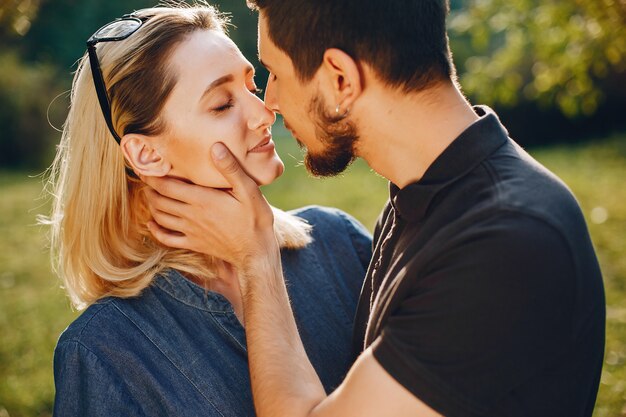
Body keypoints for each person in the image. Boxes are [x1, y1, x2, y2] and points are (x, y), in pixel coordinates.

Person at [143, 0, 606, 416]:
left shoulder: (501, 244)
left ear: (340, 79)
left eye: (276, 75)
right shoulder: (429, 198)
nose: (272, 103)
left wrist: (257, 257)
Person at [45, 4, 372, 416]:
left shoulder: (339, 241)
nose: (263, 113)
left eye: (251, 88)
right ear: (146, 153)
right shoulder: (106, 350)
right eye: (221, 104)